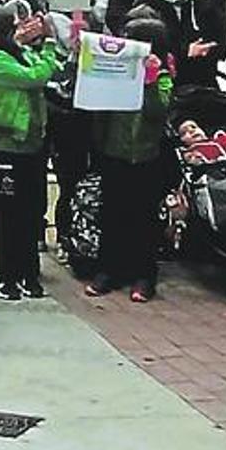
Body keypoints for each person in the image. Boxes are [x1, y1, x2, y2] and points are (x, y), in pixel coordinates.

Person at [0, 5, 59, 300]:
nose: (20, 29)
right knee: (9, 216)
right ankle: (8, 277)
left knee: (32, 213)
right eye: (14, 26)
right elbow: (36, 76)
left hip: (34, 145)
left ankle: (30, 275)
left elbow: (51, 68)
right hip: (7, 146)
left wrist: (40, 48)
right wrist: (48, 43)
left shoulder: (22, 53)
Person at [87, 17, 174, 303]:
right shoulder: (118, 71)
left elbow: (159, 112)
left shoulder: (163, 75)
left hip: (148, 157)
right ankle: (107, 271)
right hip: (115, 154)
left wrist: (149, 82)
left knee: (145, 219)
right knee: (112, 214)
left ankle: (144, 276)